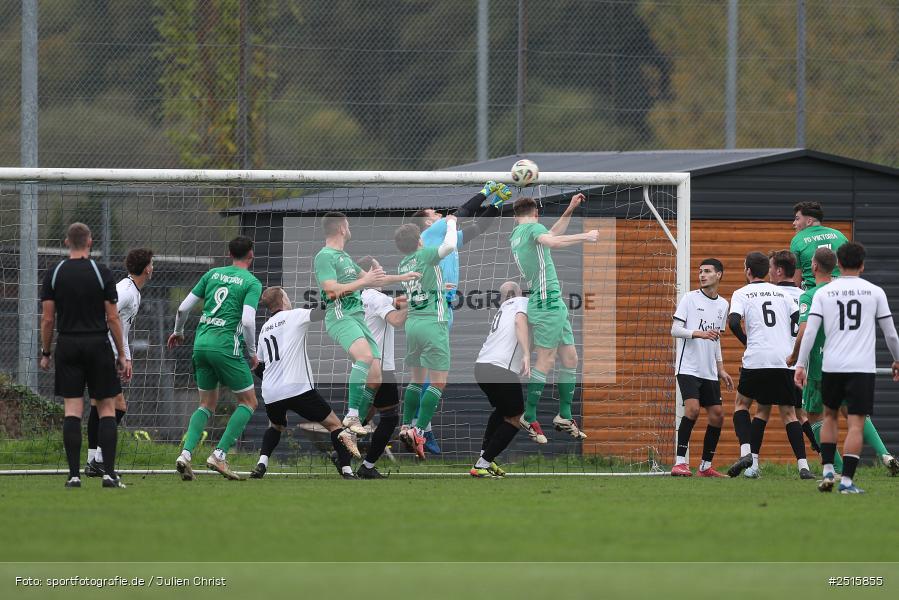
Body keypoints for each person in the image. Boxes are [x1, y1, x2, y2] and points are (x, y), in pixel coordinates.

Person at [410, 181, 511, 453]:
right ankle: (418, 429)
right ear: (427, 224)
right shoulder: (433, 234)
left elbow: (478, 228)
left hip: (434, 311)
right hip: (436, 310)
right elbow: (463, 212)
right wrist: (488, 191)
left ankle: (420, 428)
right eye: (434, 214)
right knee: (433, 375)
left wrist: (498, 204)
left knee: (425, 374)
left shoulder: (446, 240)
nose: (441, 215)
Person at [795, 242, 899, 493]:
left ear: (839, 265)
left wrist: (800, 364)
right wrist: (896, 360)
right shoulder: (874, 292)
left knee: (828, 417)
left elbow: (808, 334)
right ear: (862, 265)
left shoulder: (823, 293)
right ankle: (848, 482)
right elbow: (891, 334)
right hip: (861, 367)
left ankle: (829, 470)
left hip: (831, 366)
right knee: (855, 422)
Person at [313, 212, 419, 438]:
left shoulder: (344, 257)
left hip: (357, 317)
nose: (349, 228)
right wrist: (364, 281)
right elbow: (331, 291)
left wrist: (404, 277)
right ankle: (351, 416)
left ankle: (351, 429)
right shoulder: (325, 256)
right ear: (342, 228)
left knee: (375, 377)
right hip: (341, 315)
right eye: (348, 225)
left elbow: (375, 280)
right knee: (365, 357)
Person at [39, 222, 127, 488]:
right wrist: (121, 353)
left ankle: (74, 475)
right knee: (107, 408)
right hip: (97, 343)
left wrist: (46, 352)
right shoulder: (102, 272)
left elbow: (47, 319)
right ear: (89, 242)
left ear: (67, 242)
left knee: (73, 410)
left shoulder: (54, 273)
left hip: (67, 344)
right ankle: (109, 475)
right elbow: (112, 318)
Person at [168, 236, 263, 481]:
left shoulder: (211, 274)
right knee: (249, 402)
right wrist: (252, 353)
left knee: (206, 404)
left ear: (230, 253)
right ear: (251, 254)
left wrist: (178, 332)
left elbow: (182, 308)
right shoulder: (251, 282)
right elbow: (248, 321)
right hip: (225, 346)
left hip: (200, 344)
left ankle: (186, 455)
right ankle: (219, 455)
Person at [510, 194, 598, 443]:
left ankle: (564, 415)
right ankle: (528, 415)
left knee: (570, 358)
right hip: (547, 302)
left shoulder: (519, 233)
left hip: (552, 302)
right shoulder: (533, 229)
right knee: (546, 360)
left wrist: (569, 209)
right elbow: (553, 241)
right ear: (536, 213)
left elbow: (550, 236)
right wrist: (585, 236)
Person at [249, 287, 361, 480]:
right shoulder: (295, 315)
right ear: (283, 299)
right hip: (298, 389)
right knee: (335, 426)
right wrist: (338, 293)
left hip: (272, 392)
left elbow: (258, 366)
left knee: (276, 426)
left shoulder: (265, 329)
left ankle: (261, 464)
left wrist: (272, 380)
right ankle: (347, 471)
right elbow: (321, 311)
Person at [725, 252, 811, 480]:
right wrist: (794, 352)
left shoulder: (741, 293)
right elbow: (799, 323)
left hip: (756, 358)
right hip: (782, 360)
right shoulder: (783, 293)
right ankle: (804, 467)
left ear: (748, 271)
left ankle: (746, 453)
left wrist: (747, 342)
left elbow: (733, 322)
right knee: (789, 414)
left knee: (742, 405)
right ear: (767, 271)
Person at [85, 248, 154, 477]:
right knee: (118, 407)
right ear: (146, 268)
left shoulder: (134, 290)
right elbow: (106, 315)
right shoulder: (125, 290)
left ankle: (92, 461)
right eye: (151, 264)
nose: (153, 267)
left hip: (109, 354)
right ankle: (100, 461)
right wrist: (116, 355)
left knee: (98, 407)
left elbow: (121, 329)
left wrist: (127, 357)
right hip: (105, 355)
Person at [394, 215, 459, 458]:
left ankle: (407, 425)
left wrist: (440, 289)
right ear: (419, 241)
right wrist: (451, 222)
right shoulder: (426, 254)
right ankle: (419, 430)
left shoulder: (403, 264)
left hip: (413, 324)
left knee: (415, 380)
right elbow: (450, 246)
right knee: (438, 381)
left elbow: (424, 285)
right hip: (433, 322)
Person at [670, 259, 733, 477]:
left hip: (708, 370)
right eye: (700, 271)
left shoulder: (724, 305)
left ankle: (705, 466)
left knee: (717, 415)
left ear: (719, 275)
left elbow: (715, 340)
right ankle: (680, 463)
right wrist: (697, 333)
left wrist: (721, 369)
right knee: (693, 409)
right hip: (687, 367)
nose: (702, 275)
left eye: (707, 271)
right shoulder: (689, 298)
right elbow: (674, 330)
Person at [355, 255, 409, 478]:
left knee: (366, 414)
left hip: (364, 363)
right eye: (379, 268)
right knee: (390, 418)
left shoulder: (360, 296)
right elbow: (396, 320)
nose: (383, 272)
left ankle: (341, 451)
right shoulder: (377, 298)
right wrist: (415, 303)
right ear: (370, 273)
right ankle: (367, 466)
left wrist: (412, 297)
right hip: (381, 367)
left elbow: (393, 304)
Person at [470, 281, 529, 478]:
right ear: (518, 293)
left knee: (502, 411)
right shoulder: (521, 302)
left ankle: (486, 457)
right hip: (499, 368)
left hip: (481, 367)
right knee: (517, 418)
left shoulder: (503, 308)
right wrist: (527, 354)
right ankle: (483, 463)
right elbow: (520, 323)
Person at [767, 249, 818, 453]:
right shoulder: (804, 295)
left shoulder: (771, 295)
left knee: (778, 412)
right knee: (801, 412)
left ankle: (753, 461)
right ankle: (823, 452)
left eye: (770, 268)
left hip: (783, 361)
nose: (768, 272)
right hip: (803, 363)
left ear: (779, 271)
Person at [790, 201, 848, 289]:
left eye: (797, 219)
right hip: (839, 291)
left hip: (812, 292)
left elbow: (796, 281)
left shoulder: (798, 240)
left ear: (809, 221)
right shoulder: (840, 236)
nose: (794, 223)